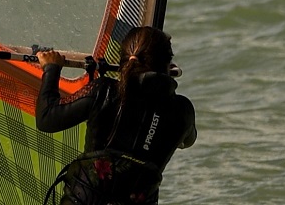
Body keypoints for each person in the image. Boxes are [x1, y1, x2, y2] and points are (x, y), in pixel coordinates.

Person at [35, 26, 195, 204]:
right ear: (168, 64)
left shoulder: (104, 91)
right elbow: (188, 141)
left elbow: (46, 118)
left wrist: (51, 68)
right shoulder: (183, 111)